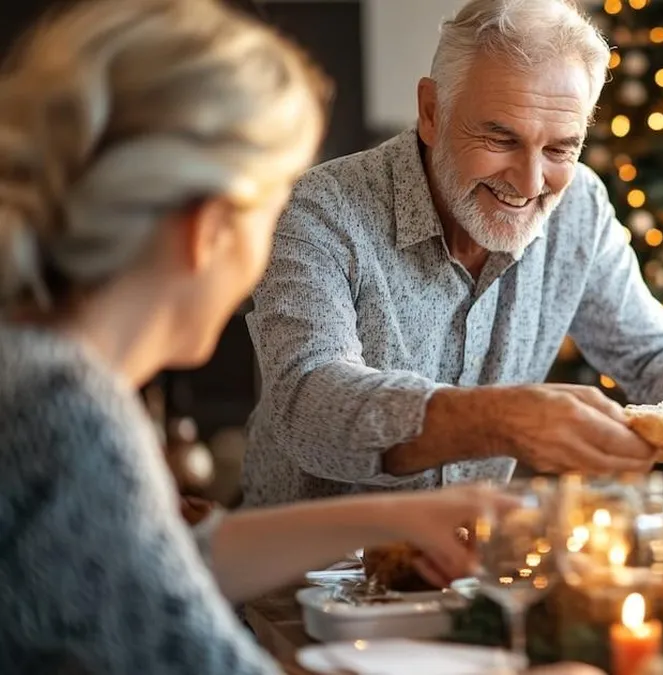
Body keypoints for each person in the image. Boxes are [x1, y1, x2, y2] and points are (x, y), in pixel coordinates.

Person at [0, 1, 512, 671]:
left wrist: (405, 516)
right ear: (208, 228)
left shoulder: (31, 367)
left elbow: (167, 565)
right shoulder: (64, 411)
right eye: (272, 206)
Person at [242, 0, 663, 507]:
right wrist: (496, 419)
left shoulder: (580, 204)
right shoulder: (318, 209)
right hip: (308, 581)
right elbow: (305, 402)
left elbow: (648, 352)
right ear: (431, 111)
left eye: (561, 148)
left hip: (468, 566)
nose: (530, 180)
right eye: (501, 140)